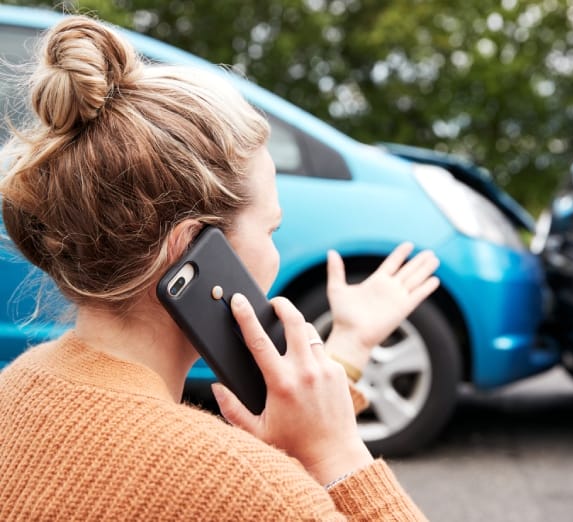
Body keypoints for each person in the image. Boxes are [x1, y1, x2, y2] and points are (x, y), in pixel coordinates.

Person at [0, 15, 441, 521]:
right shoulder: (253, 491)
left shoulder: (18, 386)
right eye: (270, 230)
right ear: (190, 249)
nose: (274, 250)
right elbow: (227, 484)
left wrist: (347, 349)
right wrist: (338, 454)